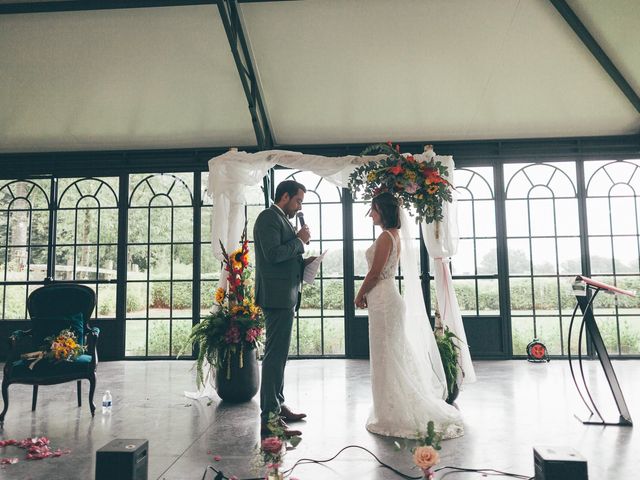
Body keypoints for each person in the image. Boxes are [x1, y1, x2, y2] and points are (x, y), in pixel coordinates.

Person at [355, 192, 463, 439]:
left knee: (387, 355)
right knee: (389, 355)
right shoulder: (393, 236)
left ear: (383, 211)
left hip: (383, 301)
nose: (370, 214)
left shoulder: (385, 237)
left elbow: (374, 273)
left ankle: (392, 412)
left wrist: (359, 294)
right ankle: (389, 407)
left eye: (372, 210)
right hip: (384, 300)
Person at [254, 180, 311, 437]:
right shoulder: (268, 217)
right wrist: (299, 242)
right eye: (298, 201)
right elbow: (273, 255)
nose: (299, 206)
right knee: (274, 357)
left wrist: (305, 262)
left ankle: (278, 403)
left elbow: (284, 258)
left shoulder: (282, 220)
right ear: (285, 196)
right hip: (275, 297)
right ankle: (270, 418)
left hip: (285, 296)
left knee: (280, 356)